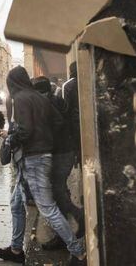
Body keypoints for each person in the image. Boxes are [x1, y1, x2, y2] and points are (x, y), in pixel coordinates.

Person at [0, 66, 86, 266]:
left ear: (13, 83)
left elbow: (25, 131)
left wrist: (11, 137)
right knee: (16, 202)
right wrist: (45, 137)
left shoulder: (22, 99)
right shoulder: (39, 97)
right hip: (34, 158)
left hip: (33, 159)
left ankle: (78, 253)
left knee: (47, 208)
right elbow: (58, 120)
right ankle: (16, 249)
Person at [33, 76, 85, 250]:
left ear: (45, 92)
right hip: (64, 152)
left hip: (60, 154)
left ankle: (73, 223)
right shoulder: (57, 102)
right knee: (58, 191)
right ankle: (69, 228)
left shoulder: (50, 106)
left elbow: (54, 129)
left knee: (57, 192)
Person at [62, 62, 81, 164]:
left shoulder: (68, 85)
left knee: (79, 151)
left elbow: (66, 109)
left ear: (71, 71)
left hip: (75, 125)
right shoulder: (89, 80)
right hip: (90, 122)